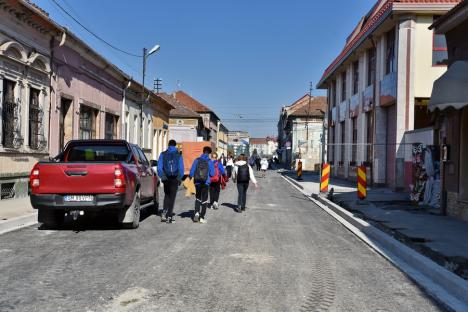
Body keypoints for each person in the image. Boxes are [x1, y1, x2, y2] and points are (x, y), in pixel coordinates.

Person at [157, 139, 184, 223]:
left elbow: (159, 167)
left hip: (166, 178)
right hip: (175, 178)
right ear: (175, 145)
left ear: (168, 145)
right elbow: (181, 168)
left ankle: (164, 213)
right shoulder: (178, 155)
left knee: (167, 195)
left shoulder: (163, 154)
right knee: (172, 197)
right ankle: (169, 216)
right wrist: (179, 178)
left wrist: (163, 176)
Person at [189, 146, 215, 223]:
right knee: (204, 200)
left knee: (198, 198)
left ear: (203, 152)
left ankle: (196, 213)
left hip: (197, 182)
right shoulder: (209, 161)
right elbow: (212, 173)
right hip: (205, 183)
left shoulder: (197, 160)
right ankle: (202, 217)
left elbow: (191, 172)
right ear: (209, 153)